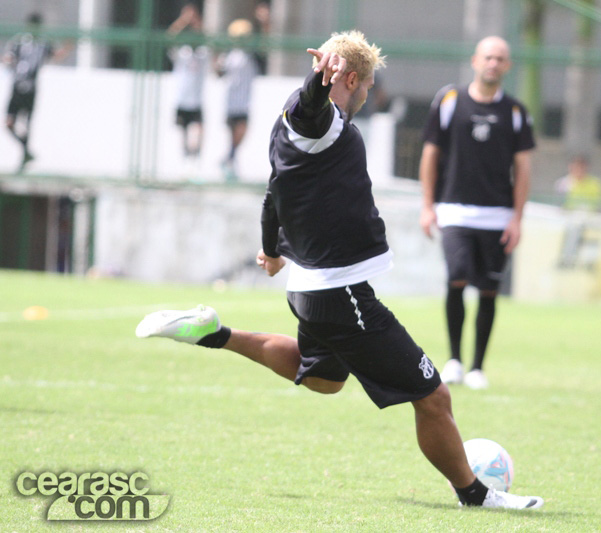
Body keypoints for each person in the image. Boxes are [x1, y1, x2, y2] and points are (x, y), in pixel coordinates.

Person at [136, 31, 543, 510]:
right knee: (433, 396)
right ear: (349, 78)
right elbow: (314, 108)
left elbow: (273, 196)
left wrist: (272, 250)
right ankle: (474, 495)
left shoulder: (290, 124)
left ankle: (213, 332)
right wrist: (318, 78)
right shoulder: (319, 120)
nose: (367, 97)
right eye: (366, 87)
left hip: (310, 287)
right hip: (340, 290)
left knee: (324, 380)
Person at [418, 36, 535, 390]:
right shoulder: (450, 101)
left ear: (508, 65)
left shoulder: (515, 113)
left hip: (497, 215)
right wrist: (427, 205)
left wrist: (517, 217)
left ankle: (478, 367)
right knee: (456, 277)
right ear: (475, 60)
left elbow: (524, 168)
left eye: (500, 58)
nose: (493, 64)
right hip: (453, 211)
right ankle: (454, 360)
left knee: (489, 290)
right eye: (488, 57)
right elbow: (429, 154)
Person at [3, 13, 71, 172]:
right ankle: (26, 152)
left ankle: (24, 157)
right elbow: (9, 58)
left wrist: (68, 47)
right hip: (17, 86)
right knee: (9, 123)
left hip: (31, 88)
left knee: (26, 125)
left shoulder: (44, 43)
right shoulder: (19, 41)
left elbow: (55, 56)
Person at [216, 19, 259, 182]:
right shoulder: (228, 54)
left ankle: (229, 158)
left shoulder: (250, 54)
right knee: (233, 132)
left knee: (241, 132)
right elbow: (220, 73)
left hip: (244, 101)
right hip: (230, 101)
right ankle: (230, 160)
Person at [167, 3, 209, 164]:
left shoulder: (202, 54)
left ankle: (195, 157)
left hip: (196, 100)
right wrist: (183, 20)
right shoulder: (182, 53)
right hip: (182, 99)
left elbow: (208, 39)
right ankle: (185, 160)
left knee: (198, 131)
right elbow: (170, 37)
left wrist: (196, 20)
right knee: (182, 133)